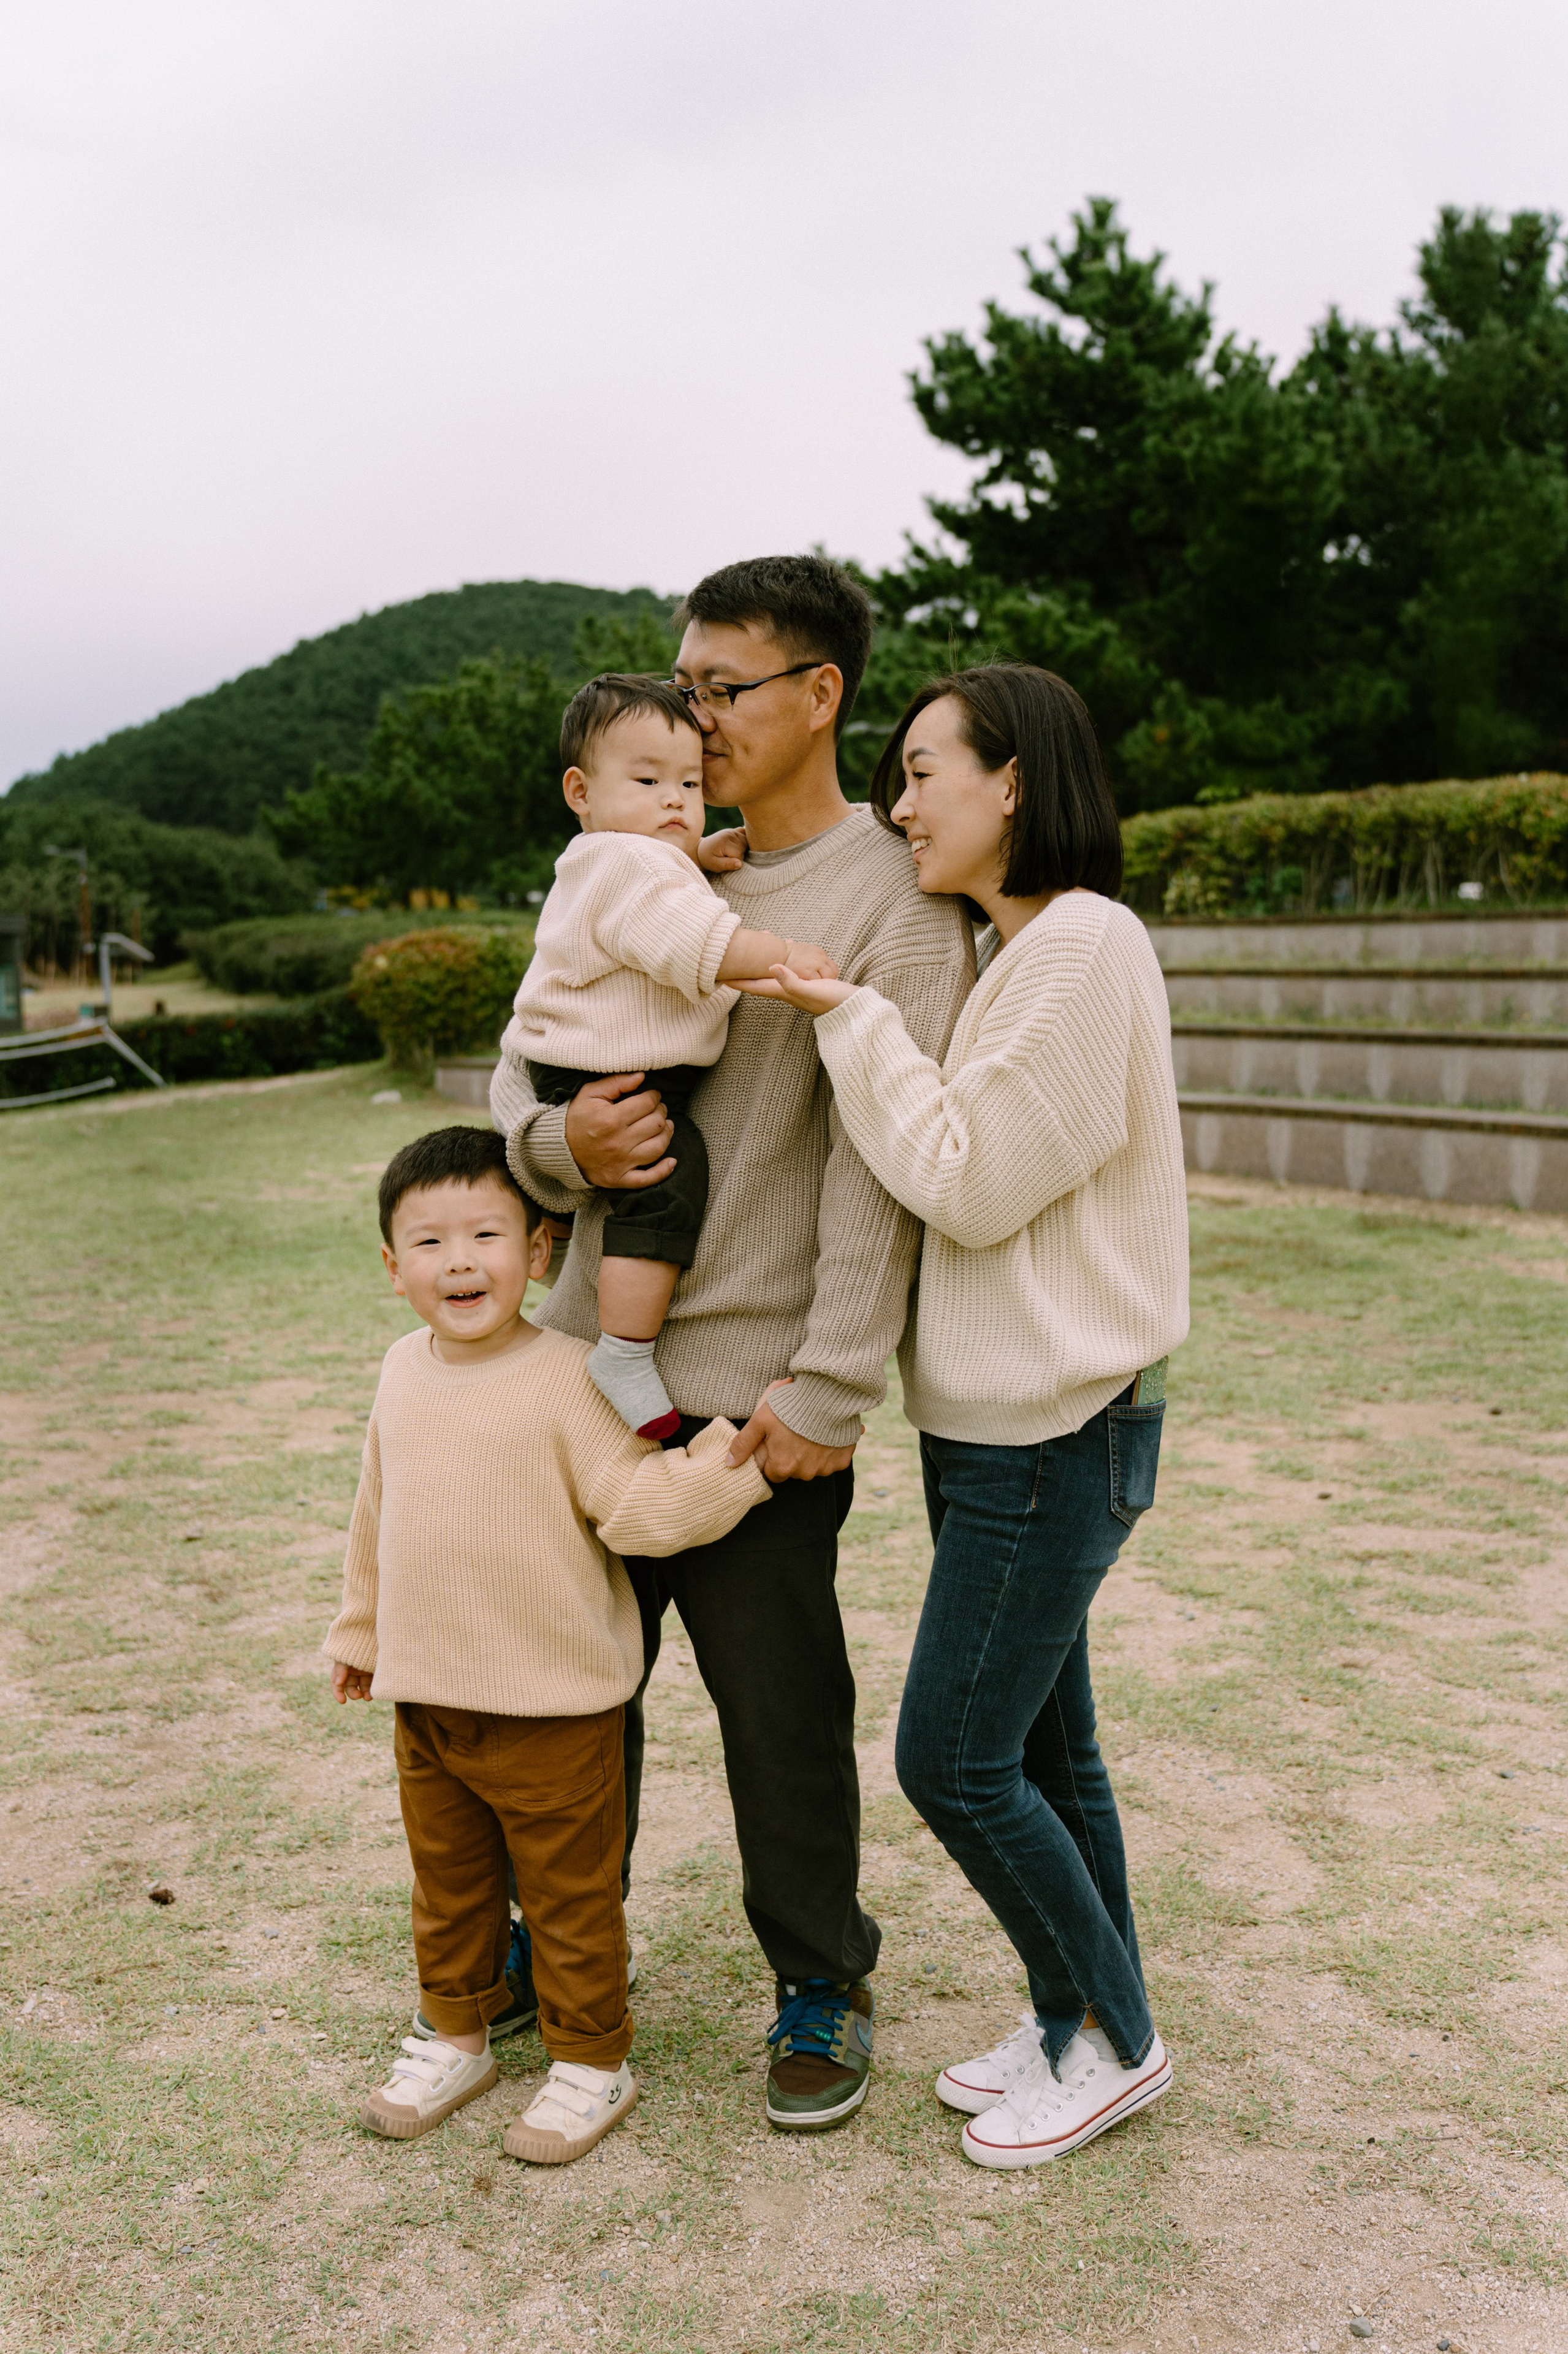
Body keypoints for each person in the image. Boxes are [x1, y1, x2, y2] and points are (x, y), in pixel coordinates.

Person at [492, 554, 975, 2131]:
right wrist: (561, 1144)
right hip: (583, 1373)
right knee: (572, 1693)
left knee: (777, 1707)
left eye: (721, 687)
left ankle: (819, 1971)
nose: (688, 713)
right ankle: (561, 1955)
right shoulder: (631, 859)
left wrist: (826, 1385)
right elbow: (528, 1066)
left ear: (818, 693)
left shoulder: (888, 906)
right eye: (680, 684)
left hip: (753, 1394)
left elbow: (876, 1172)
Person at [750, 663, 1189, 2168]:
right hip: (1004, 1427)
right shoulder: (1023, 950)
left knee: (949, 1757)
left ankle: (1120, 2038)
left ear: (1015, 779)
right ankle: (1069, 2015)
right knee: (1049, 1758)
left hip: (1049, 1430)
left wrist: (845, 1012)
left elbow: (970, 1175)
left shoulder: (1077, 946)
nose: (898, 803)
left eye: (924, 768)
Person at [323, 1125, 769, 2160]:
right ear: (394, 1270)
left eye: (487, 1233)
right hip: (428, 1700)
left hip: (558, 1706)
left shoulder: (572, 1377)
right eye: (429, 1243)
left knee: (569, 1900)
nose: (460, 1261)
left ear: (541, 1251)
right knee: (450, 1884)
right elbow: (376, 1512)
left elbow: (638, 1510)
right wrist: (361, 1630)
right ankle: (456, 2033)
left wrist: (733, 1463)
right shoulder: (400, 1372)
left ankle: (590, 2061)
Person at [512, 671, 838, 1441]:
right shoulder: (631, 865)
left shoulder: (620, 860)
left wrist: (697, 855)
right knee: (665, 1180)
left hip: (585, 1064)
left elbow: (661, 899)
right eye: (649, 780)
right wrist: (782, 953)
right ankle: (624, 1349)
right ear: (580, 791)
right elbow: (697, 941)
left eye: (690, 784)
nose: (675, 801)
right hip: (614, 1073)